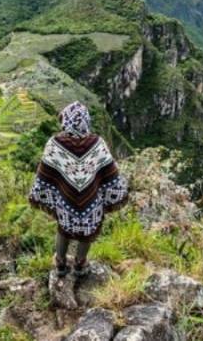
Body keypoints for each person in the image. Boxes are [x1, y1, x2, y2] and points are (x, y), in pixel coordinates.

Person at [28, 101, 128, 277]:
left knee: (63, 228)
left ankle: (60, 264)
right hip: (91, 198)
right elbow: (109, 171)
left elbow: (45, 173)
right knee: (88, 231)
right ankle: (80, 265)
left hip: (65, 198)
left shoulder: (55, 143)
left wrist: (44, 193)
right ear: (86, 121)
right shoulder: (97, 143)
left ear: (66, 121)